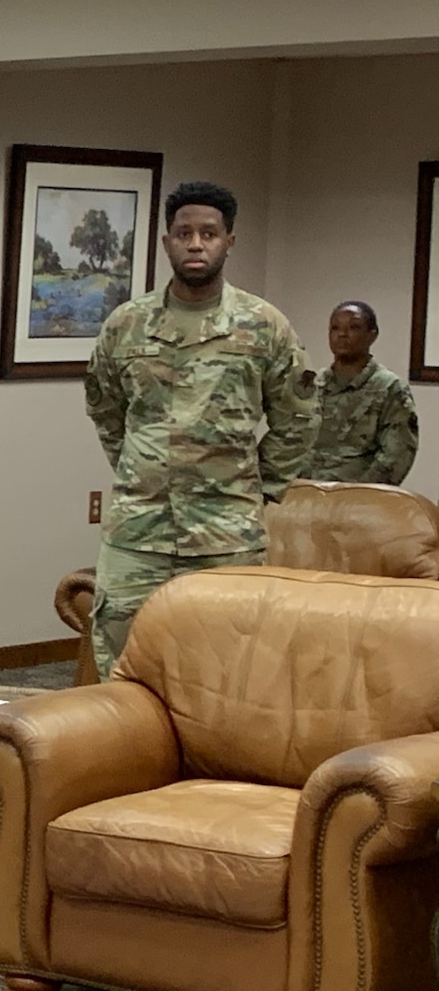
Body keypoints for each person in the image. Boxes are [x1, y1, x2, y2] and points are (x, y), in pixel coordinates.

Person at [84, 181, 314, 677]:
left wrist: (262, 489)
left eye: (209, 233)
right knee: (124, 669)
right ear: (166, 241)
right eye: (183, 233)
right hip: (136, 533)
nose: (195, 243)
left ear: (229, 241)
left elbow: (297, 415)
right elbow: (105, 407)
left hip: (226, 535)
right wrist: (142, 470)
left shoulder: (263, 325)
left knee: (226, 674)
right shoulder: (127, 325)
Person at [301, 301, 418, 484]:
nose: (342, 334)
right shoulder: (313, 384)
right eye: (335, 328)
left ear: (372, 335)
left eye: (353, 327)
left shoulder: (388, 387)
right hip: (304, 493)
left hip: (358, 499)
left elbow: (396, 455)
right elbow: (290, 441)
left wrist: (359, 496)